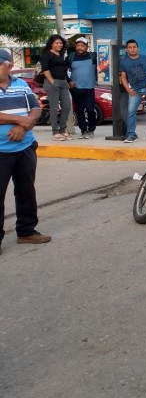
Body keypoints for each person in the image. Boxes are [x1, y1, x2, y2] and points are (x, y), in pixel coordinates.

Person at [0, 48, 51, 254]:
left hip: (25, 147)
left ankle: (26, 231)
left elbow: (36, 108)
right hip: (1, 151)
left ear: (9, 66)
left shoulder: (21, 85)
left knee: (26, 191)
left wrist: (23, 126)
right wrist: (18, 119)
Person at [119, 39, 146, 143]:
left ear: (138, 48)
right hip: (135, 90)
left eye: (134, 47)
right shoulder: (124, 62)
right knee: (131, 112)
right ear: (127, 49)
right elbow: (123, 77)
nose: (132, 49)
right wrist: (128, 89)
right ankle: (131, 135)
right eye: (130, 47)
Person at [39, 33, 72, 140]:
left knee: (67, 106)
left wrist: (68, 81)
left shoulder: (61, 54)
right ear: (51, 44)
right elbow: (45, 68)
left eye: (61, 43)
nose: (59, 45)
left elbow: (63, 70)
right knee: (54, 107)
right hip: (52, 82)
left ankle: (63, 129)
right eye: (56, 43)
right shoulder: (47, 53)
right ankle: (55, 132)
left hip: (63, 82)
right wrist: (52, 81)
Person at [67, 37, 97, 139]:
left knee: (90, 110)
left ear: (87, 47)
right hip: (76, 88)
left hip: (89, 88)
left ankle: (91, 129)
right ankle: (83, 130)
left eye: (82, 46)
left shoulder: (93, 56)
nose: (80, 48)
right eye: (78, 45)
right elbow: (62, 70)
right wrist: (69, 81)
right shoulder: (71, 57)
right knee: (79, 110)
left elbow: (104, 65)